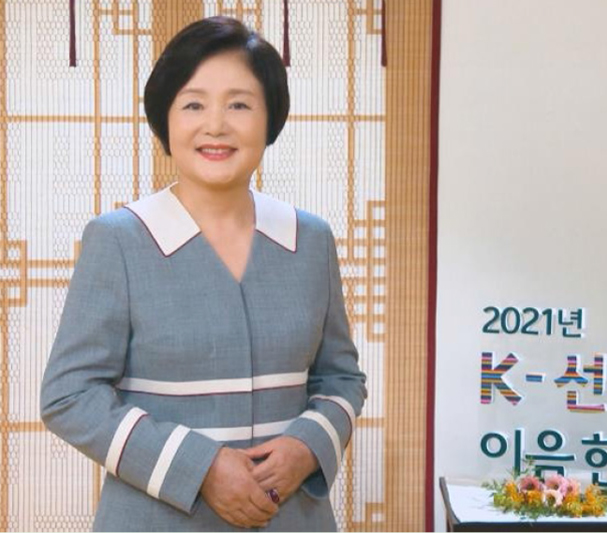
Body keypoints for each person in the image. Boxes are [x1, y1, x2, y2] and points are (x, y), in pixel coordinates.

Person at [40, 16, 367, 532]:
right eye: (193, 104)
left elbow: (341, 378)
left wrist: (307, 446)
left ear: (270, 118)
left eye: (239, 104)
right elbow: (69, 396)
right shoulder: (119, 239)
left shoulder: (310, 239)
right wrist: (201, 468)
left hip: (292, 519)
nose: (216, 125)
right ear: (165, 119)